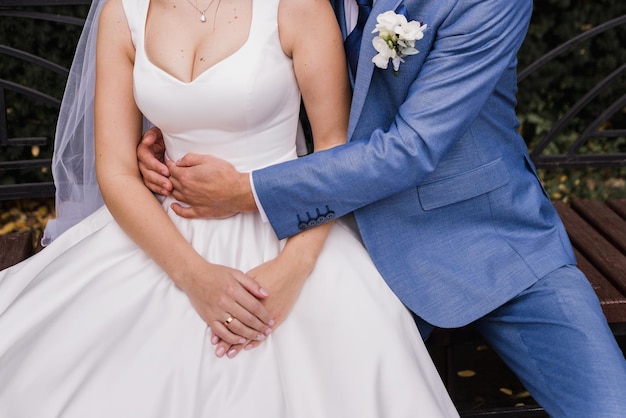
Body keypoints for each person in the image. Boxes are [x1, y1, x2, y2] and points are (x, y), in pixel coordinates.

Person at [137, 0, 626, 416]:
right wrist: (175, 139)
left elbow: (412, 147)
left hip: (488, 240)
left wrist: (246, 190)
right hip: (343, 243)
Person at [0, 0, 459, 416]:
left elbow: (333, 151)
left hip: (289, 227)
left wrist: (292, 269)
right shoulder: (123, 12)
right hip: (163, 236)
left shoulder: (297, 7)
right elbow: (116, 172)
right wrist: (195, 277)